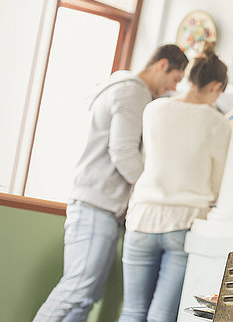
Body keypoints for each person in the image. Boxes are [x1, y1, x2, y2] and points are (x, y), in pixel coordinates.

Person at [34, 44, 189, 322]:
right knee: (77, 290)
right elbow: (124, 152)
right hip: (97, 205)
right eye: (175, 79)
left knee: (86, 295)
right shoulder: (132, 92)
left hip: (97, 205)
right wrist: (149, 190)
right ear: (162, 64)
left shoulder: (123, 88)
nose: (170, 88)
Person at [118, 51, 231, 322]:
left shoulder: (154, 109)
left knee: (132, 311)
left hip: (142, 218)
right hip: (185, 221)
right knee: (161, 315)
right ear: (216, 87)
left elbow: (149, 158)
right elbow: (218, 182)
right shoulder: (217, 122)